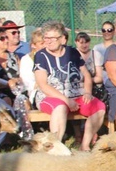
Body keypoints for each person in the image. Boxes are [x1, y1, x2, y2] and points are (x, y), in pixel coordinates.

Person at [34, 21, 105, 150]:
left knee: (99, 107)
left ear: (62, 39)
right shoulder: (41, 56)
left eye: (52, 38)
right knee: (60, 107)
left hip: (76, 93)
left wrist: (88, 92)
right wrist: (66, 100)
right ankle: (56, 147)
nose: (48, 41)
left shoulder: (72, 52)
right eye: (46, 38)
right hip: (51, 96)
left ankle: (85, 145)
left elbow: (86, 75)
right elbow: (43, 85)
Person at [75, 31, 105, 102]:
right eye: (81, 43)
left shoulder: (96, 55)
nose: (84, 45)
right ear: (76, 42)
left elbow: (100, 78)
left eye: (86, 42)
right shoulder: (72, 54)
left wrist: (87, 81)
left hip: (94, 88)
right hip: (76, 88)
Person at [19, 29, 44, 108]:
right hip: (37, 93)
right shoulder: (27, 59)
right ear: (33, 45)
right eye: (41, 43)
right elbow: (28, 83)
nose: (45, 46)